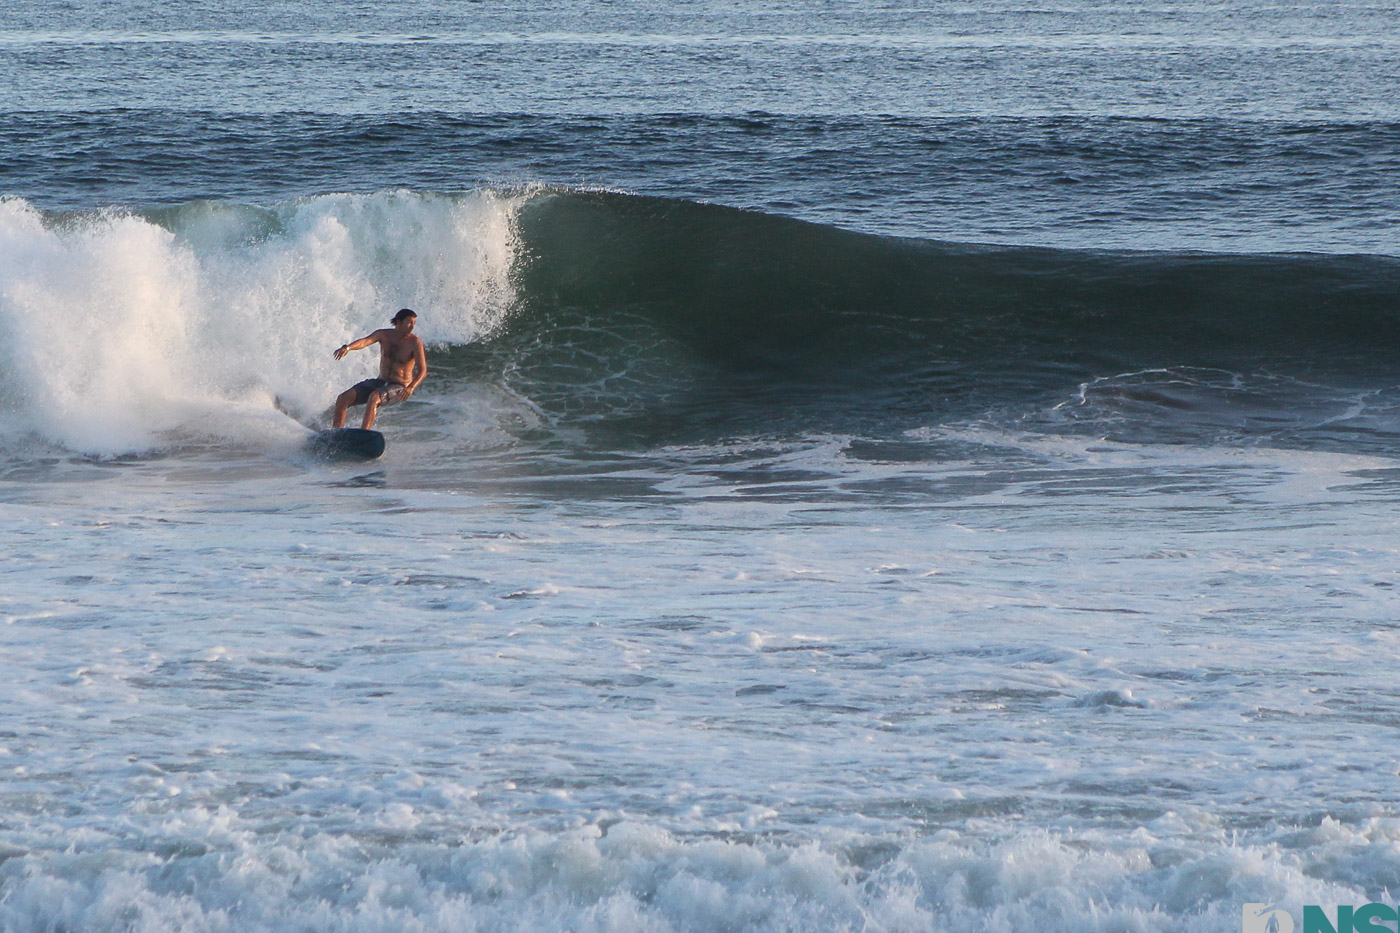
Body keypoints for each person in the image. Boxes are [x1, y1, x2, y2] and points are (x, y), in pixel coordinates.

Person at [332, 308, 428, 429]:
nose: (412, 326)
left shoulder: (415, 343)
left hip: (400, 387)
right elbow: (365, 341)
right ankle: (335, 433)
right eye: (409, 322)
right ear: (398, 322)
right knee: (343, 398)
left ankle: (364, 434)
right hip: (380, 382)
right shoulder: (383, 335)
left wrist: (411, 387)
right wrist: (348, 348)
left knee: (374, 397)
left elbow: (423, 370)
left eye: (414, 323)